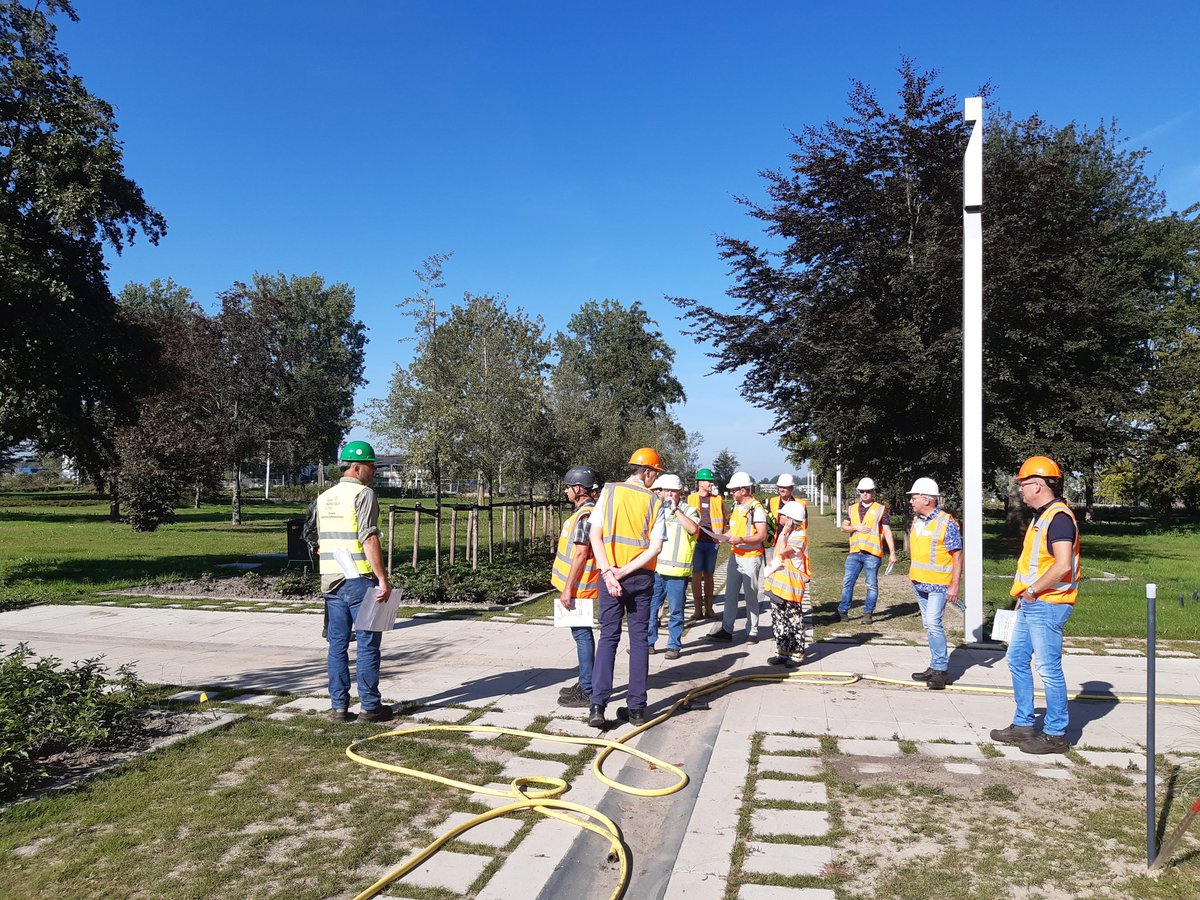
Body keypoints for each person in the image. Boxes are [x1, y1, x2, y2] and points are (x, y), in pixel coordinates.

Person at [990, 456, 1080, 755]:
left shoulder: (1059, 518)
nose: (1020, 491)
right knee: (1016, 660)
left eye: (1024, 485)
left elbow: (1063, 564)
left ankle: (1055, 734)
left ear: (1039, 485)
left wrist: (1033, 591)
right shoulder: (1041, 517)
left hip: (1048, 602)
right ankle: (1023, 724)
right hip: (1033, 602)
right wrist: (1024, 597)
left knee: (1048, 668)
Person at [314, 440, 394, 723]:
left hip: (331, 582)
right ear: (357, 466)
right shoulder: (364, 494)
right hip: (360, 580)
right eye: (372, 466)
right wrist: (383, 579)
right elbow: (368, 536)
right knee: (368, 644)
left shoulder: (325, 497)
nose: (374, 471)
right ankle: (371, 708)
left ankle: (339, 708)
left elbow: (320, 542)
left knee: (337, 645)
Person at [587, 448, 668, 728]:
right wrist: (625, 570)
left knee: (608, 638)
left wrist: (609, 572)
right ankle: (636, 709)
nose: (655, 479)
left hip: (609, 575)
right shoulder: (656, 503)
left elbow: (594, 535)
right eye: (655, 473)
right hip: (640, 579)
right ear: (646, 472)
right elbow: (655, 547)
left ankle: (597, 706)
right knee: (639, 641)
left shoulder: (608, 492)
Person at [551, 465, 602, 709]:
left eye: (568, 487)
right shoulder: (586, 511)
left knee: (582, 635)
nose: (566, 491)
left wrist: (568, 588)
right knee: (580, 635)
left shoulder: (585, 516)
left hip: (580, 587)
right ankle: (585, 682)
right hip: (579, 586)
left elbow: (581, 554)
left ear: (579, 489)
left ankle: (588, 688)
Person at [906, 478, 963, 691]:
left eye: (914, 496)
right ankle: (934, 665)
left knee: (933, 623)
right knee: (928, 624)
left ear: (927, 498)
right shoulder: (918, 520)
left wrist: (954, 585)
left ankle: (940, 670)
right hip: (919, 581)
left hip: (939, 584)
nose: (911, 500)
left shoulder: (947, 523)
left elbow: (957, 555)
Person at [706, 471, 767, 643]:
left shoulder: (757, 508)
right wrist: (722, 536)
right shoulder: (735, 507)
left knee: (750, 595)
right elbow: (735, 529)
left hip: (751, 556)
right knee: (730, 594)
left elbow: (761, 535)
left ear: (743, 490)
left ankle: (752, 631)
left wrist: (740, 540)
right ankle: (727, 628)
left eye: (734, 490)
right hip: (735, 555)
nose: (731, 492)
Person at [647, 473, 700, 659]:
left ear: (680, 492)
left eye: (672, 490)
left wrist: (676, 510)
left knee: (676, 610)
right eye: (664, 490)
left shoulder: (689, 510)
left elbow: (693, 529)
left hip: (678, 571)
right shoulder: (655, 509)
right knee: (652, 608)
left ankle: (674, 645)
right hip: (657, 569)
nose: (668, 494)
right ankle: (649, 643)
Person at [836, 477, 898, 625]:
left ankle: (868, 613)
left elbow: (887, 531)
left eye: (868, 491)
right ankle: (842, 611)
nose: (865, 494)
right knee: (847, 582)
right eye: (862, 491)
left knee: (871, 585)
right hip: (855, 552)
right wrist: (855, 528)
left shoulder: (881, 509)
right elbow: (843, 527)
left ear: (873, 492)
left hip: (872, 554)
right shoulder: (852, 508)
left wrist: (893, 553)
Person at [765, 500, 810, 667]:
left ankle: (796, 654)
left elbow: (784, 552)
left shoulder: (799, 536)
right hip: (778, 587)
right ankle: (782, 652)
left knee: (793, 621)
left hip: (791, 588)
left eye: (783, 515)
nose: (780, 516)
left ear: (790, 519)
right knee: (779, 620)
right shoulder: (788, 534)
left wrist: (783, 533)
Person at [687, 467, 724, 621]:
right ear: (701, 483)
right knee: (696, 575)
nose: (711, 484)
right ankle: (697, 610)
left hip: (712, 543)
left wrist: (719, 538)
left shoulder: (717, 499)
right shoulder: (690, 499)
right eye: (709, 481)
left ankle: (709, 608)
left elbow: (723, 519)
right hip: (696, 542)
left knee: (709, 574)